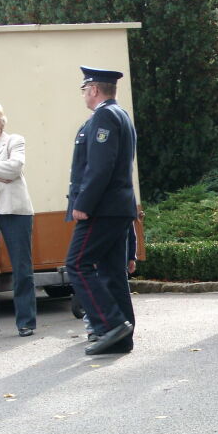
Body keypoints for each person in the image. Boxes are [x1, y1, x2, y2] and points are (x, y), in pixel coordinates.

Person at [65, 66, 137, 355]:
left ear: (94, 89)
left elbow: (100, 166)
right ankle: (121, 338)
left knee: (77, 263)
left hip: (103, 208)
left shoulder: (105, 115)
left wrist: (82, 205)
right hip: (117, 207)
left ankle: (110, 324)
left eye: (85, 89)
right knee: (111, 271)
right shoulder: (119, 114)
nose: (84, 94)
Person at [0, 100, 36, 338]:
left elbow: (15, 168)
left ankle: (26, 322)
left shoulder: (16, 140)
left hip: (15, 209)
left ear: (2, 122)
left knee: (22, 267)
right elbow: (8, 172)